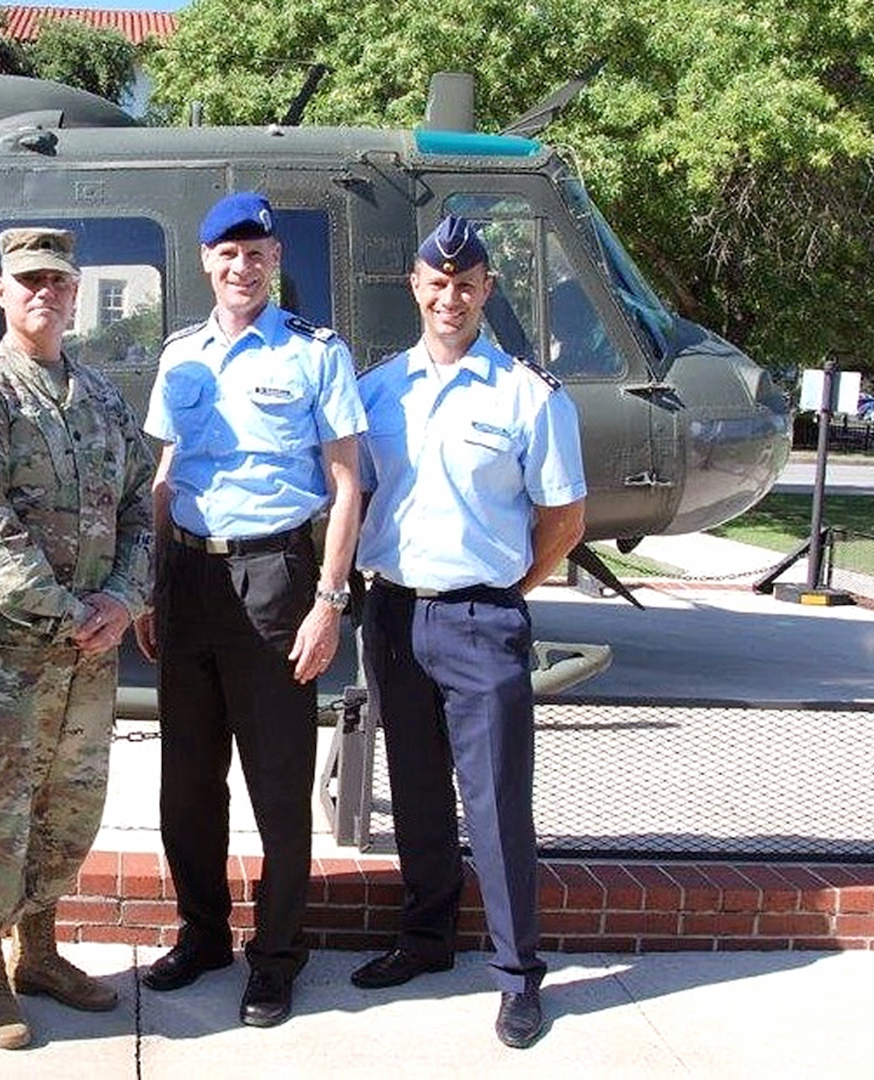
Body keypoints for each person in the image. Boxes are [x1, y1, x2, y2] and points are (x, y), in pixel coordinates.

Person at [349, 215, 586, 1049]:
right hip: (392, 612)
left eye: (467, 283)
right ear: (416, 288)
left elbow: (564, 518)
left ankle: (520, 978)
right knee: (414, 792)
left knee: (495, 805)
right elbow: (359, 495)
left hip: (482, 618)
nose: (450, 297)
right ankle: (425, 940)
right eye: (437, 282)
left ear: (487, 291)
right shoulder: (378, 391)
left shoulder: (528, 395)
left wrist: (503, 588)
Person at [134, 192, 366, 1028]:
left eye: (257, 254)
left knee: (275, 785)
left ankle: (275, 957)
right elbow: (166, 474)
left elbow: (345, 487)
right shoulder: (181, 355)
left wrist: (330, 600)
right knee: (187, 784)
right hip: (189, 581)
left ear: (274, 262)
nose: (243, 268)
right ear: (206, 262)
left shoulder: (316, 353)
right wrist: (149, 587)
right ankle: (203, 935)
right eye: (227, 255)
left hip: (276, 578)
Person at [0, 227, 154, 1050]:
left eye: (58, 280)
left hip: (88, 659)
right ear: (2, 292)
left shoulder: (99, 396)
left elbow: (137, 504)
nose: (44, 294)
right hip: (4, 662)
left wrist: (124, 599)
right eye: (29, 281)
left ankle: (40, 949)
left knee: (71, 804)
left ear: (75, 291)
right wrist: (71, 614)